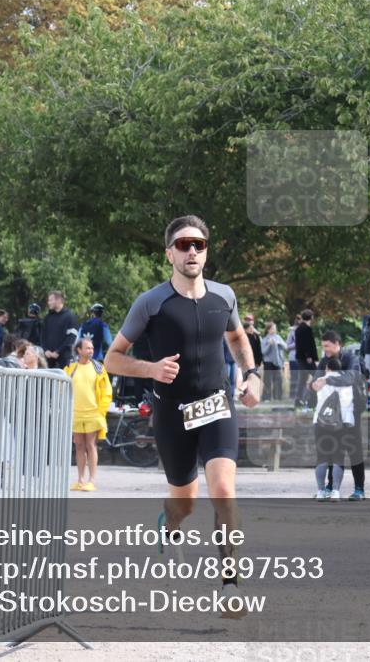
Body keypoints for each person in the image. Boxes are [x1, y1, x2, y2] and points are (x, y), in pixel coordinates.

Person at [105, 215, 261, 612]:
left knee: (224, 492)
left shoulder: (224, 297)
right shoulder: (151, 302)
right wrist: (151, 369)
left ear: (206, 251)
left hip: (216, 405)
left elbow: (237, 337)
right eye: (183, 244)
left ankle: (230, 583)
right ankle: (169, 525)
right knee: (185, 503)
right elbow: (112, 359)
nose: (192, 251)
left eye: (199, 244)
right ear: (168, 253)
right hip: (172, 413)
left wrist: (252, 374)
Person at [310, 331, 366, 500]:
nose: (324, 349)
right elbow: (316, 380)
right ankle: (329, 487)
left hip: (351, 412)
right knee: (330, 450)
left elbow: (351, 378)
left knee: (354, 450)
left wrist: (327, 380)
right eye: (323, 346)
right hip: (328, 416)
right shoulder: (325, 361)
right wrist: (313, 385)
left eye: (327, 345)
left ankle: (359, 489)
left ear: (336, 343)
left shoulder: (352, 359)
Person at [65, 338, 113, 492]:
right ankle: (80, 480)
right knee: (79, 445)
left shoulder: (98, 368)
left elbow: (107, 391)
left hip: (93, 413)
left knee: (91, 445)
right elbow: (62, 387)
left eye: (92, 348)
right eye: (87, 348)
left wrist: (101, 411)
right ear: (79, 350)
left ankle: (91, 480)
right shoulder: (70, 367)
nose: (91, 351)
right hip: (76, 413)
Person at [312, 357, 356, 502]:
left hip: (321, 423)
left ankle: (320, 491)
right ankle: (335, 491)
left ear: (327, 368)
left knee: (322, 457)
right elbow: (349, 405)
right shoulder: (346, 382)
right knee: (338, 457)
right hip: (341, 424)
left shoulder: (320, 381)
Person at [42, 291, 79, 369]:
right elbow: (42, 336)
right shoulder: (48, 317)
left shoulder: (70, 316)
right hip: (48, 359)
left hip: (64, 359)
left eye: (50, 300)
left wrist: (58, 352)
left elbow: (71, 338)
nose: (48, 303)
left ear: (58, 300)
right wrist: (46, 350)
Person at [294, 309, 318, 409]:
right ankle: (312, 398)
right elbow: (307, 344)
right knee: (317, 375)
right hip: (306, 358)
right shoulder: (306, 329)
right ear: (311, 317)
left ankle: (299, 399)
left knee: (302, 379)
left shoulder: (299, 328)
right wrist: (309, 356)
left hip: (301, 357)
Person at [261, 321, 287, 402]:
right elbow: (263, 352)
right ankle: (266, 397)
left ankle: (278, 397)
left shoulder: (278, 337)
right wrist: (269, 344)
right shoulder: (265, 339)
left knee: (278, 380)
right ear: (268, 330)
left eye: (275, 328)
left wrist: (278, 343)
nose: (274, 330)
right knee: (267, 380)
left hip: (278, 362)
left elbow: (285, 347)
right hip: (268, 362)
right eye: (272, 328)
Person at [286, 314, 301, 401]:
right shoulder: (291, 333)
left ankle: (300, 396)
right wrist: (296, 344)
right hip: (293, 358)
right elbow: (287, 346)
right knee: (294, 377)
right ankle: (292, 395)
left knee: (302, 377)